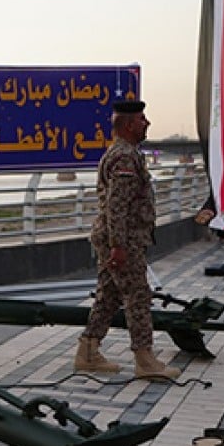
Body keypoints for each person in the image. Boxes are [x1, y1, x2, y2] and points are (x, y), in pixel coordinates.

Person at [74, 99, 180, 379]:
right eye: (142, 120)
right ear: (129, 125)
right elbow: (116, 205)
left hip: (120, 238)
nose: (147, 124)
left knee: (108, 296)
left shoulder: (127, 153)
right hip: (123, 240)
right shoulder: (124, 157)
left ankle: (87, 352)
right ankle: (145, 360)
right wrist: (118, 245)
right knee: (138, 296)